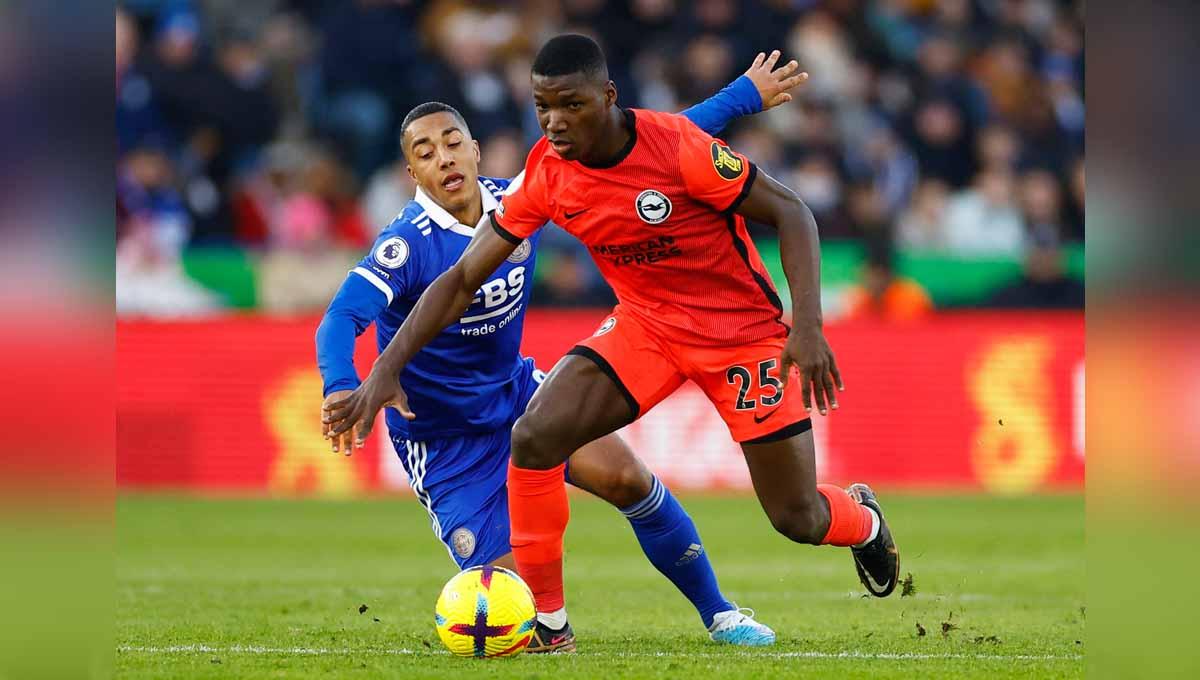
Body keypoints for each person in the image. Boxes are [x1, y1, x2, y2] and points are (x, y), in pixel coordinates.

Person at [324, 34, 901, 651]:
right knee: (537, 436)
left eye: (569, 105)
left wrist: (807, 325)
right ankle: (549, 623)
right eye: (542, 107)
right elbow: (462, 278)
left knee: (797, 518)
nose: (554, 122)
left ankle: (861, 521)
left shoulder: (677, 149)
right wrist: (383, 368)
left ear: (607, 97)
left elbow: (792, 212)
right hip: (646, 326)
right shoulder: (544, 173)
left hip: (742, 337)